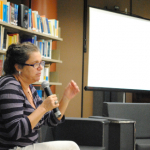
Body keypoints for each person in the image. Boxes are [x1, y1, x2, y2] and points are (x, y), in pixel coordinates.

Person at [0, 42, 80, 150]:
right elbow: (16, 131)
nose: (40, 68)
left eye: (41, 63)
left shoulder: (30, 88)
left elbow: (51, 120)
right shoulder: (10, 87)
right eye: (35, 64)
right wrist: (44, 107)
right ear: (19, 67)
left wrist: (66, 98)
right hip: (13, 148)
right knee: (71, 147)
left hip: (28, 146)